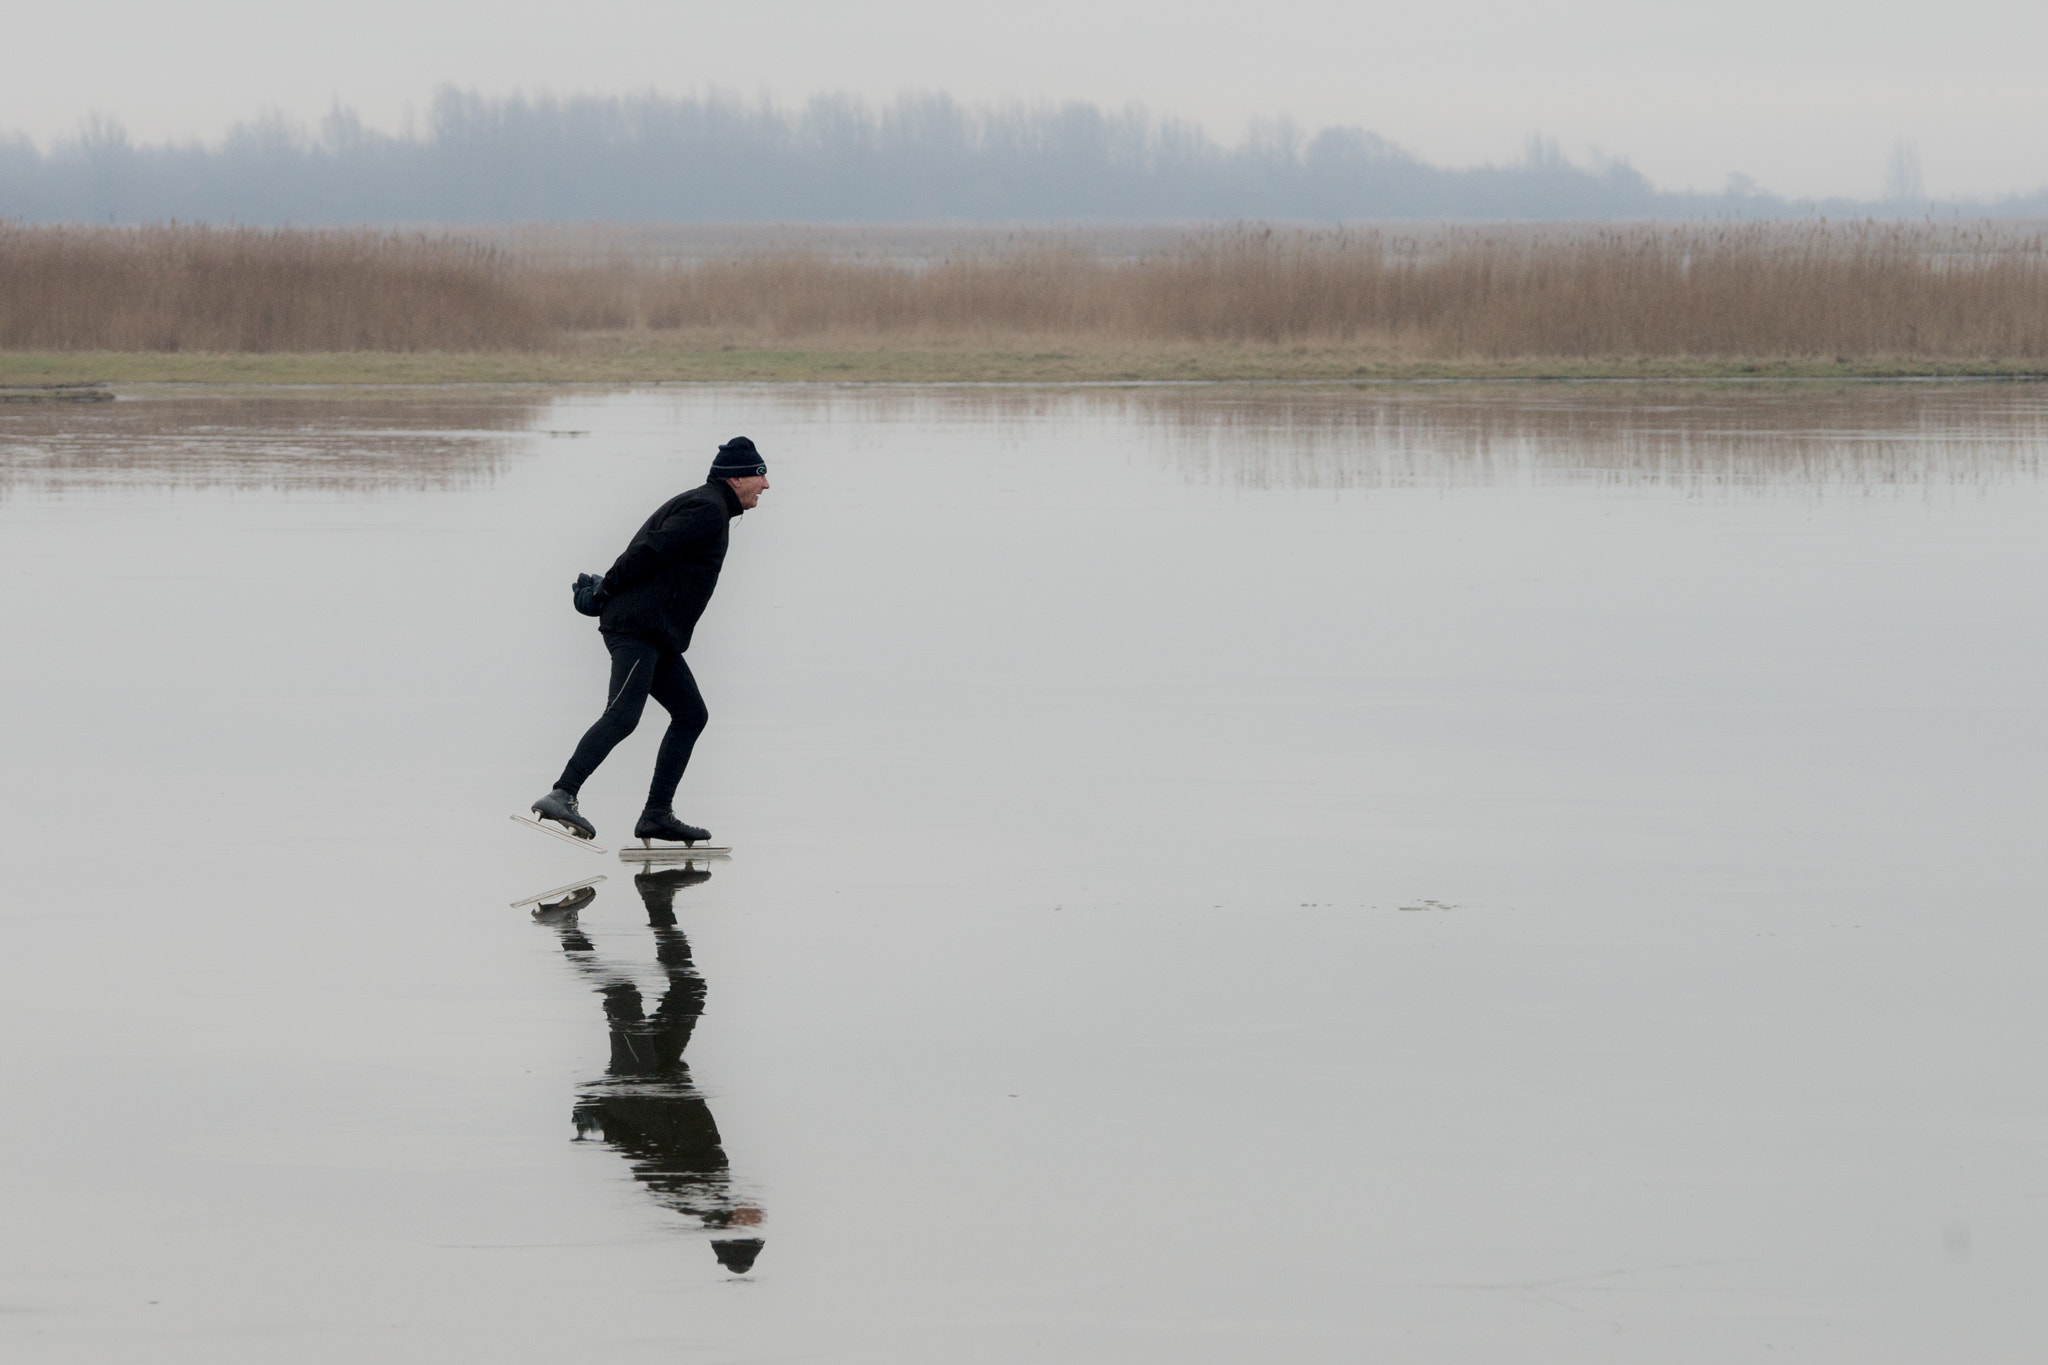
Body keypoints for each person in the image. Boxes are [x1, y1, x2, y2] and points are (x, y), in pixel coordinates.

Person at [530, 437, 769, 845]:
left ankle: (656, 815)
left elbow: (655, 554)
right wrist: (605, 592)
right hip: (637, 627)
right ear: (737, 478)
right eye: (760, 475)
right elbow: (649, 550)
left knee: (691, 714)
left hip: (656, 632)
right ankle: (562, 793)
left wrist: (608, 590)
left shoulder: (710, 507)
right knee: (623, 715)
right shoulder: (708, 510)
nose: (766, 485)